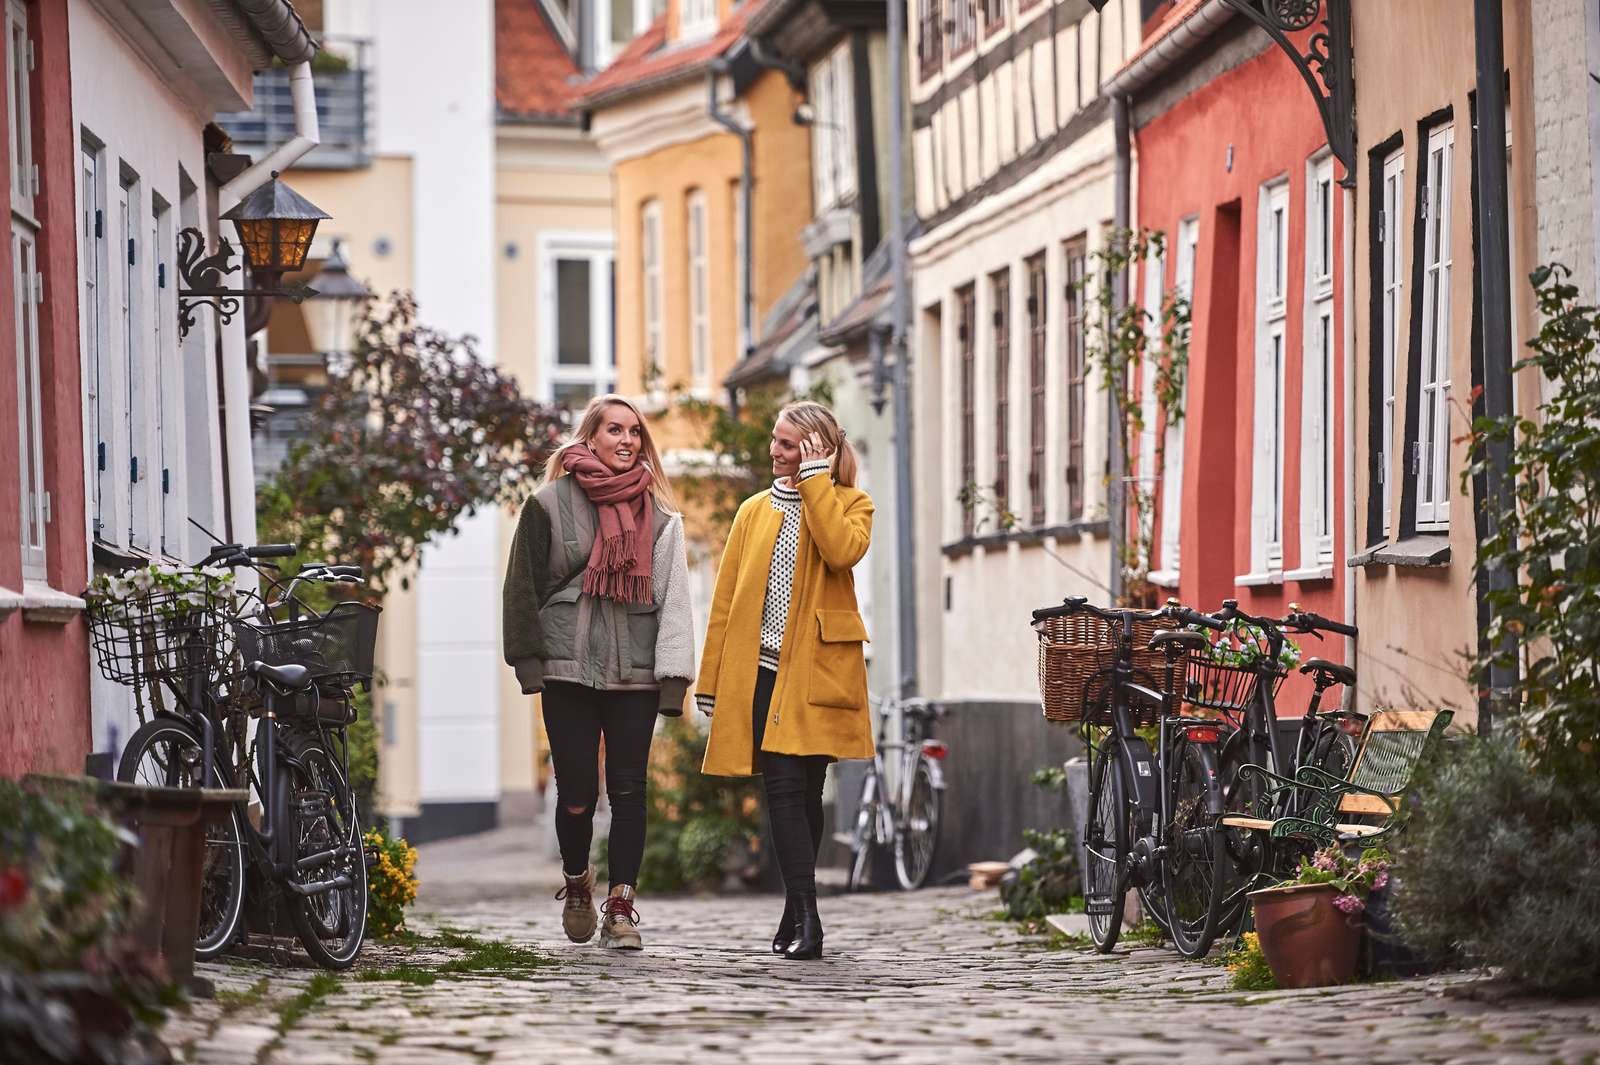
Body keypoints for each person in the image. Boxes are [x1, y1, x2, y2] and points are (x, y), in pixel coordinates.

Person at [502, 394, 694, 950]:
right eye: (615, 430)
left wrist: (673, 679)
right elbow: (521, 588)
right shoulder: (546, 505)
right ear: (590, 438)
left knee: (630, 791)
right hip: (566, 669)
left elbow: (674, 602)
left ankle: (622, 907)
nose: (627, 441)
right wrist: (529, 661)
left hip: (635, 672)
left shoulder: (660, 518)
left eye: (635, 432)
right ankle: (577, 881)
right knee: (578, 793)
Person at [694, 400, 874, 960]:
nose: (775, 450)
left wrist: (817, 482)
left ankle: (796, 909)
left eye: (789, 444)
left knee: (806, 795)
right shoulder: (752, 511)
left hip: (818, 672)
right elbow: (725, 600)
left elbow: (842, 552)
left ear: (817, 450)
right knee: (781, 793)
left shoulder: (850, 505)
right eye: (775, 439)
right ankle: (808, 916)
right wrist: (711, 677)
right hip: (762, 674)